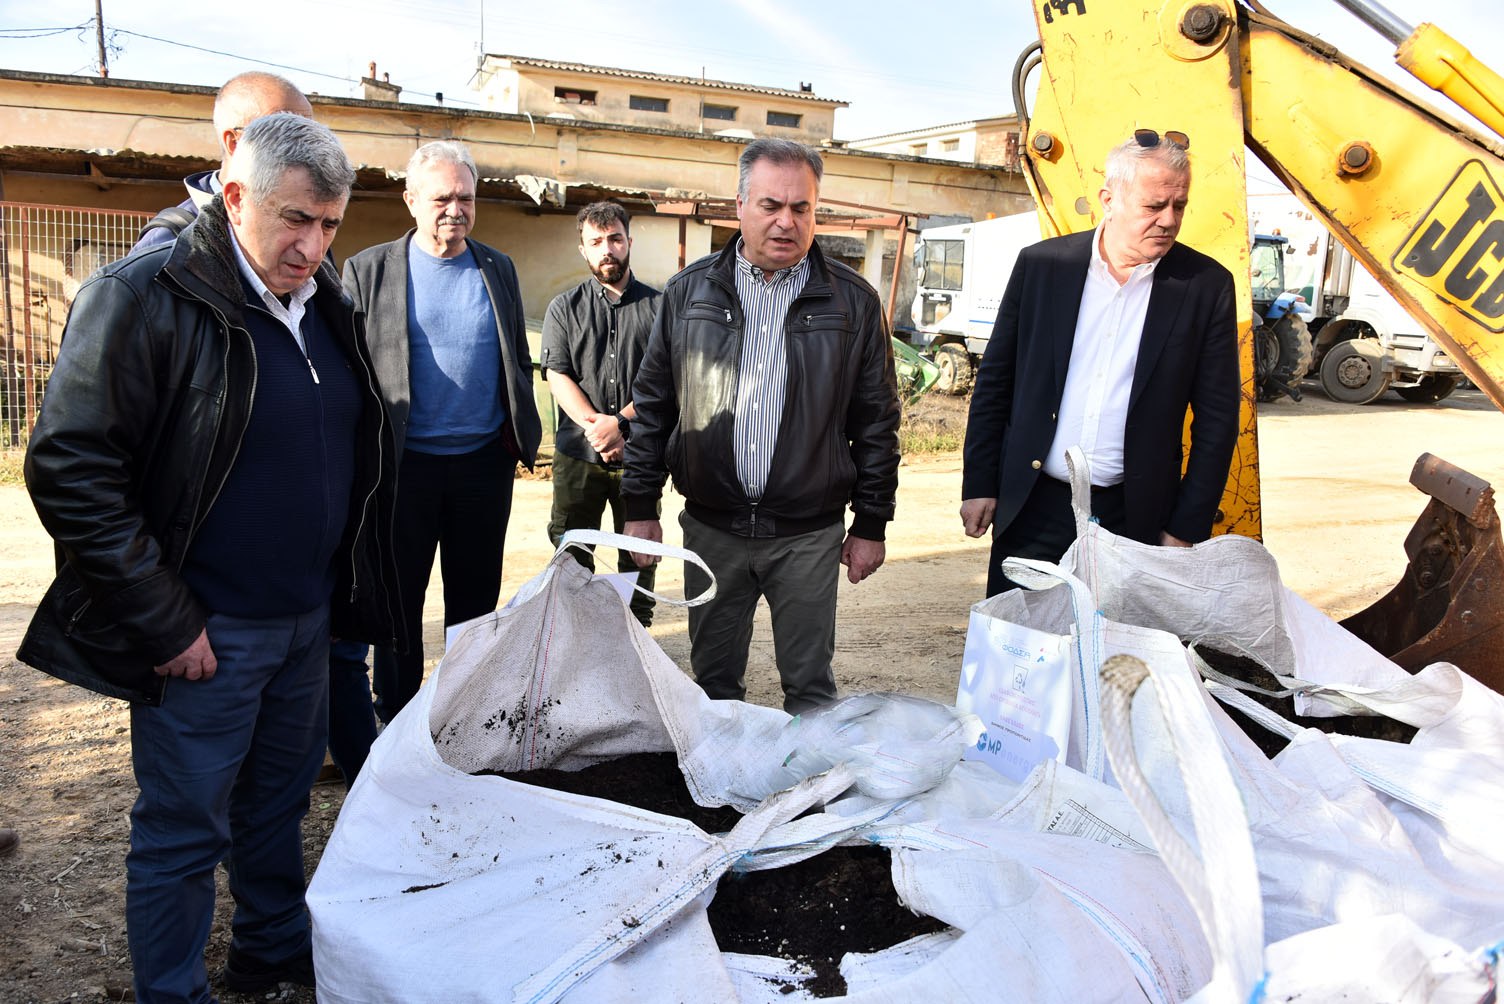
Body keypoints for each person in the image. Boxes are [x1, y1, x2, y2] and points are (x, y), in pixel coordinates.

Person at [19, 113, 398, 1003]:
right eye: (295, 219)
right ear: (233, 196)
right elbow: (70, 466)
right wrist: (163, 617)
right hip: (204, 634)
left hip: (305, 621)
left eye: (330, 224)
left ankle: (269, 949)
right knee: (184, 831)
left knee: (278, 805)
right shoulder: (143, 294)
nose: (313, 246)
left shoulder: (324, 298)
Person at [622, 138, 901, 714]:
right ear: (741, 205)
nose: (786, 222)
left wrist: (871, 521)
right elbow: (653, 407)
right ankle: (721, 775)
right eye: (771, 205)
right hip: (713, 530)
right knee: (714, 688)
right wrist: (640, 505)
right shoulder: (688, 293)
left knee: (811, 692)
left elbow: (877, 420)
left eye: (801, 208)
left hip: (808, 537)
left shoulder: (853, 303)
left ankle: (808, 777)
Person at [959, 129, 1240, 596]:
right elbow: (996, 382)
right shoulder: (1043, 266)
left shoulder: (1205, 286)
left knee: (1118, 644)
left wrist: (1185, 526)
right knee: (1021, 637)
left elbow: (1218, 418)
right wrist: (980, 482)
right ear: (1109, 200)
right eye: (1154, 206)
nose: (1169, 220)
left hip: (1135, 518)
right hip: (1032, 507)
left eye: (1179, 206)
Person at [343, 140, 541, 724]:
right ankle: (396, 715)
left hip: (482, 463)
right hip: (403, 466)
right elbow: (351, 368)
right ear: (410, 201)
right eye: (442, 198)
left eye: (466, 198)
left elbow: (514, 356)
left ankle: (463, 715)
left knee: (474, 600)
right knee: (398, 597)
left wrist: (514, 436)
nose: (455, 209)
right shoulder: (368, 270)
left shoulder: (497, 267)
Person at [540, 202, 661, 626]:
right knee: (571, 555)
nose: (606, 249)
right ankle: (578, 638)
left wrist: (620, 424)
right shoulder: (563, 308)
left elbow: (664, 381)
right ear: (583, 249)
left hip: (640, 456)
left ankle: (636, 637)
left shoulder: (660, 308)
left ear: (629, 242)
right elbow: (557, 375)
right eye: (596, 242)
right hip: (578, 455)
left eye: (615, 239)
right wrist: (597, 429)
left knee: (639, 554)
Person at [131, 72, 312, 253]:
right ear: (235, 143)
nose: (306, 151)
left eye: (311, 136)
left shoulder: (312, 229)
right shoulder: (170, 242)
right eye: (286, 136)